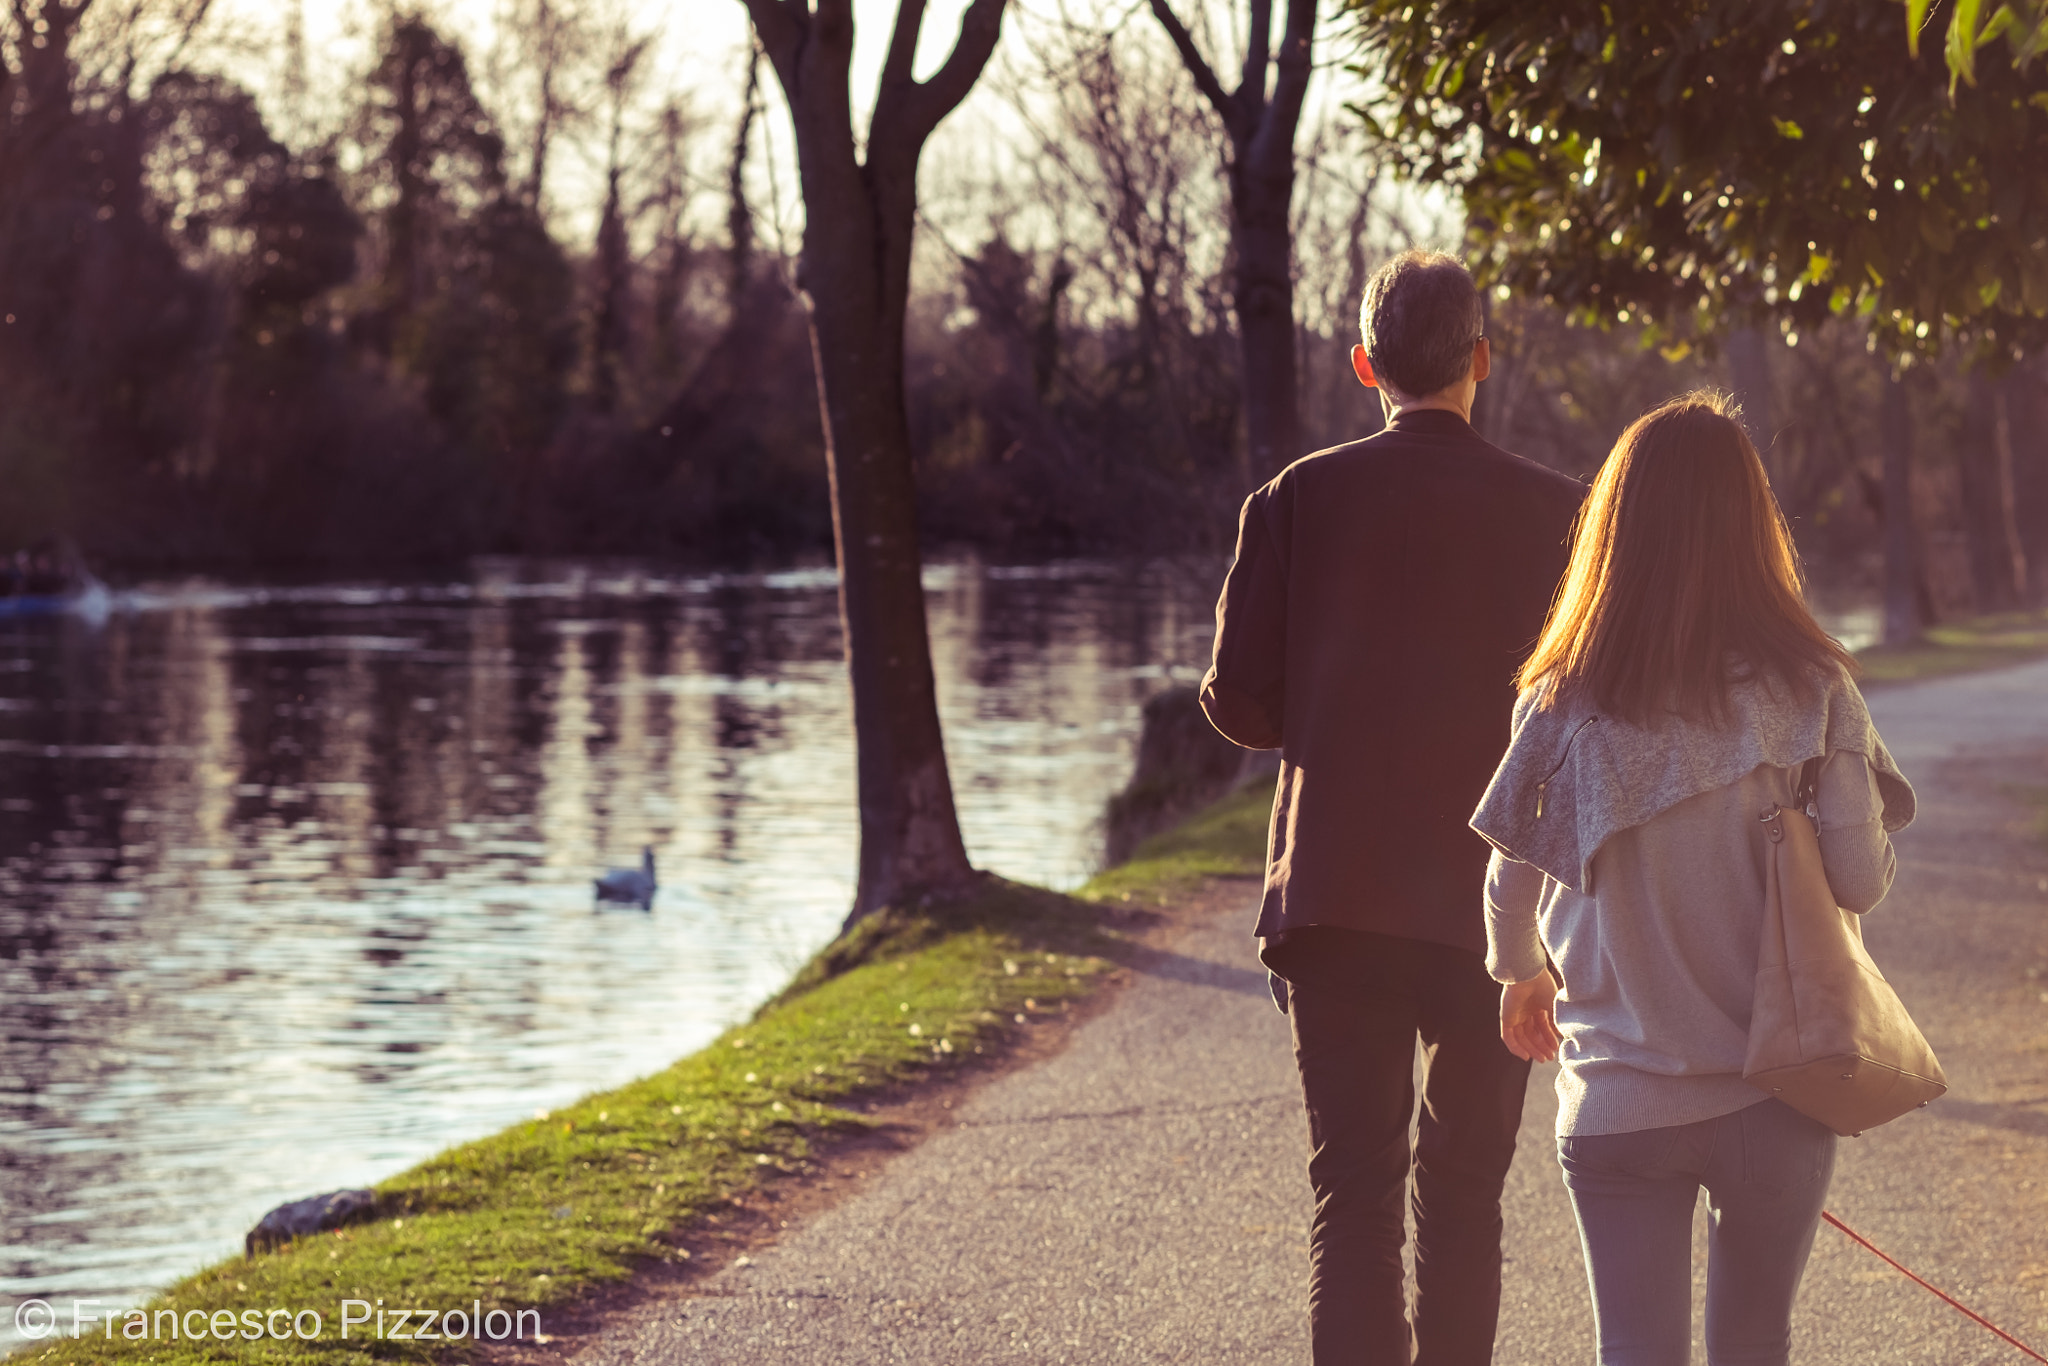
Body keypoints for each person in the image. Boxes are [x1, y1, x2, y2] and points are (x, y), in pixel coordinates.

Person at [1471, 392, 1916, 1366]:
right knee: (1753, 1344)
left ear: (1613, 531)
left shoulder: (1559, 698)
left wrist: (1522, 975)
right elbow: (1855, 878)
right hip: (1773, 1083)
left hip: (1617, 1099)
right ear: (1752, 527)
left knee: (1634, 1351)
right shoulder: (1811, 688)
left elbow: (1508, 880)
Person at [1201, 249, 1585, 1364]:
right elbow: (1583, 715)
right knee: (1465, 1197)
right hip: (1494, 915)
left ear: (1364, 362)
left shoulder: (1293, 499)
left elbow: (1237, 702)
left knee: (1354, 1194)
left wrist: (1329, 711)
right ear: (1480, 359)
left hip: (1335, 897)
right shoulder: (1561, 515)